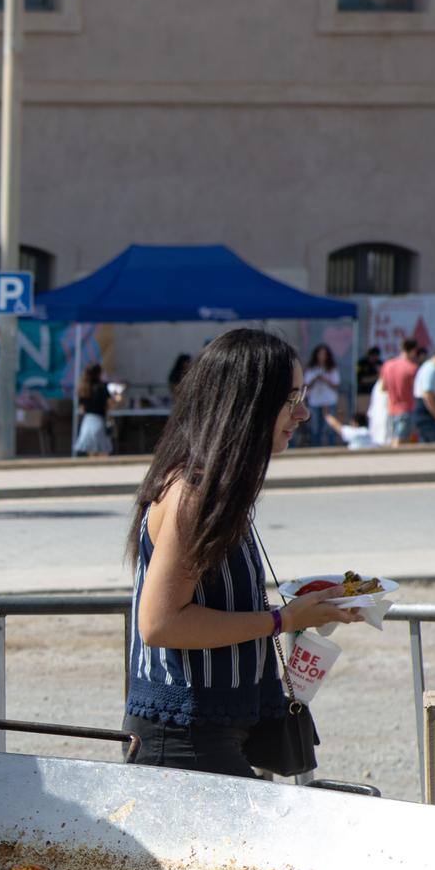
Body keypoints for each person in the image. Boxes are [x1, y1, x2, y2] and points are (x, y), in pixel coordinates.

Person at [123, 329, 361, 776]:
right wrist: (283, 620)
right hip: (184, 738)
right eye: (291, 398)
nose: (303, 413)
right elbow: (160, 623)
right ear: (248, 403)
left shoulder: (218, 487)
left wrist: (307, 606)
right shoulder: (192, 493)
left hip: (211, 731)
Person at [300, 344, 341, 447]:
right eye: (320, 354)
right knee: (315, 427)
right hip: (315, 401)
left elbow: (336, 385)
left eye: (324, 354)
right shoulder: (311, 369)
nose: (322, 357)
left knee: (330, 426)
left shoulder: (332, 369)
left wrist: (325, 380)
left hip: (329, 401)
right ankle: (315, 448)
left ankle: (331, 448)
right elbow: (305, 385)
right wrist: (315, 379)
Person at [73, 361, 113, 457]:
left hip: (87, 422)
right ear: (98, 373)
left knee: (91, 456)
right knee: (103, 453)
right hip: (99, 421)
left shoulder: (83, 388)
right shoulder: (102, 387)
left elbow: (81, 408)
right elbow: (109, 405)